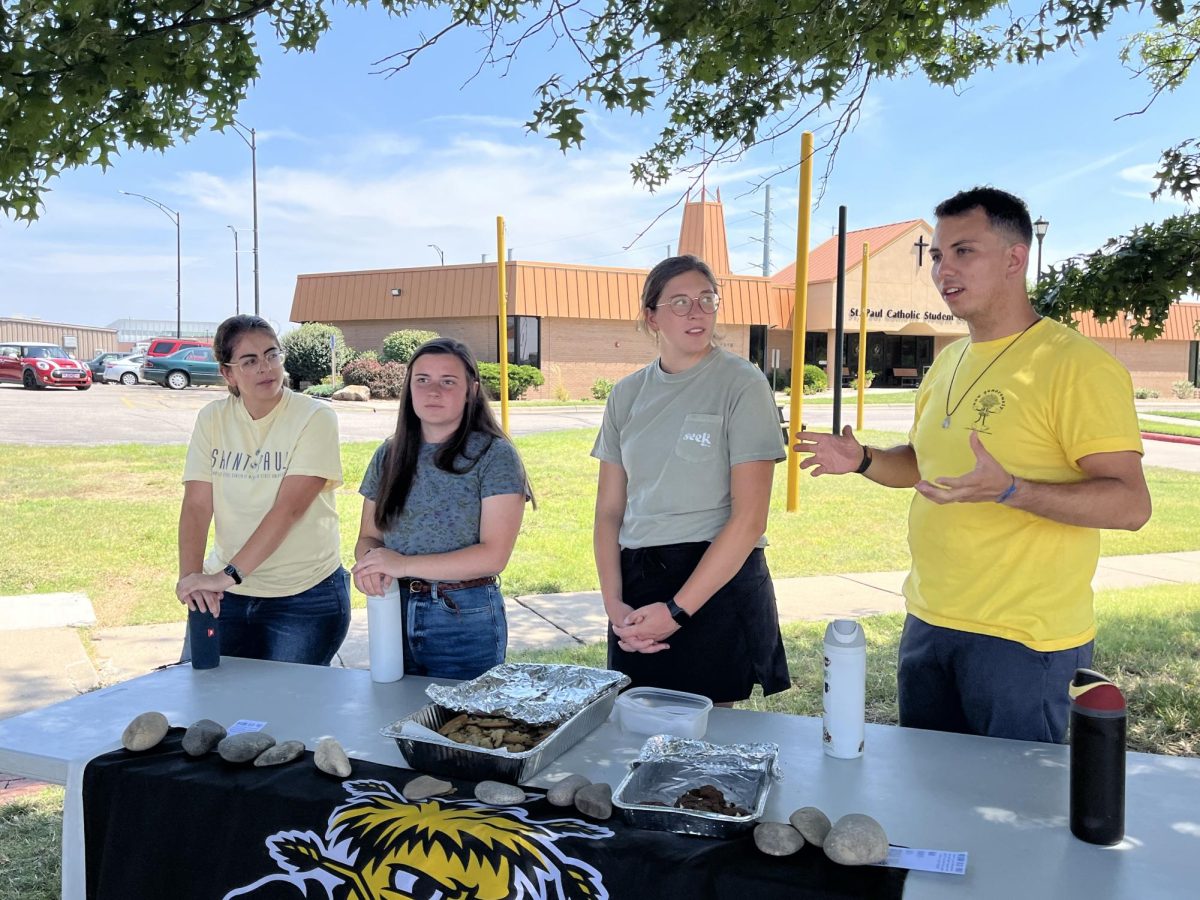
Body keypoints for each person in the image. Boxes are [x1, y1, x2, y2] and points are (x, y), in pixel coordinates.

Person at [797, 187, 1151, 743]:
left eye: (964, 251)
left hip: (1024, 640)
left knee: (1012, 814)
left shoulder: (1076, 365)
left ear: (1015, 258)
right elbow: (922, 466)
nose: (943, 270)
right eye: (938, 255)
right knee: (929, 800)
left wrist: (1012, 490)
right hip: (929, 622)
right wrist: (864, 459)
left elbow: (1132, 505)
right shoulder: (947, 361)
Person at [592, 255, 791, 705]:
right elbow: (608, 513)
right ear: (651, 317)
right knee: (637, 734)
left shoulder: (741, 383)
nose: (696, 312)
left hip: (714, 581)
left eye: (706, 299)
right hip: (637, 582)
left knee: (709, 750)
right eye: (679, 302)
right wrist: (615, 605)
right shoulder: (626, 395)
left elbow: (749, 519)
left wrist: (678, 611)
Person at [176, 315, 350, 665]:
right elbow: (197, 505)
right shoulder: (213, 419)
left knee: (284, 712)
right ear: (228, 373)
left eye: (272, 354)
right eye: (250, 360)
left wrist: (226, 577)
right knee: (203, 699)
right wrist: (193, 580)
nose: (265, 368)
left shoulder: (314, 417)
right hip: (227, 595)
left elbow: (288, 509)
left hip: (304, 597)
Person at [352, 337, 529, 680]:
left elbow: (493, 556)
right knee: (391, 717)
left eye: (448, 382)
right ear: (409, 388)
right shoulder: (388, 455)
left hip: (464, 615)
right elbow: (369, 536)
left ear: (471, 390)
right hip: (392, 608)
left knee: (461, 727)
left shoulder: (495, 456)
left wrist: (401, 564)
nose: (433, 391)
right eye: (422, 380)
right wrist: (370, 565)